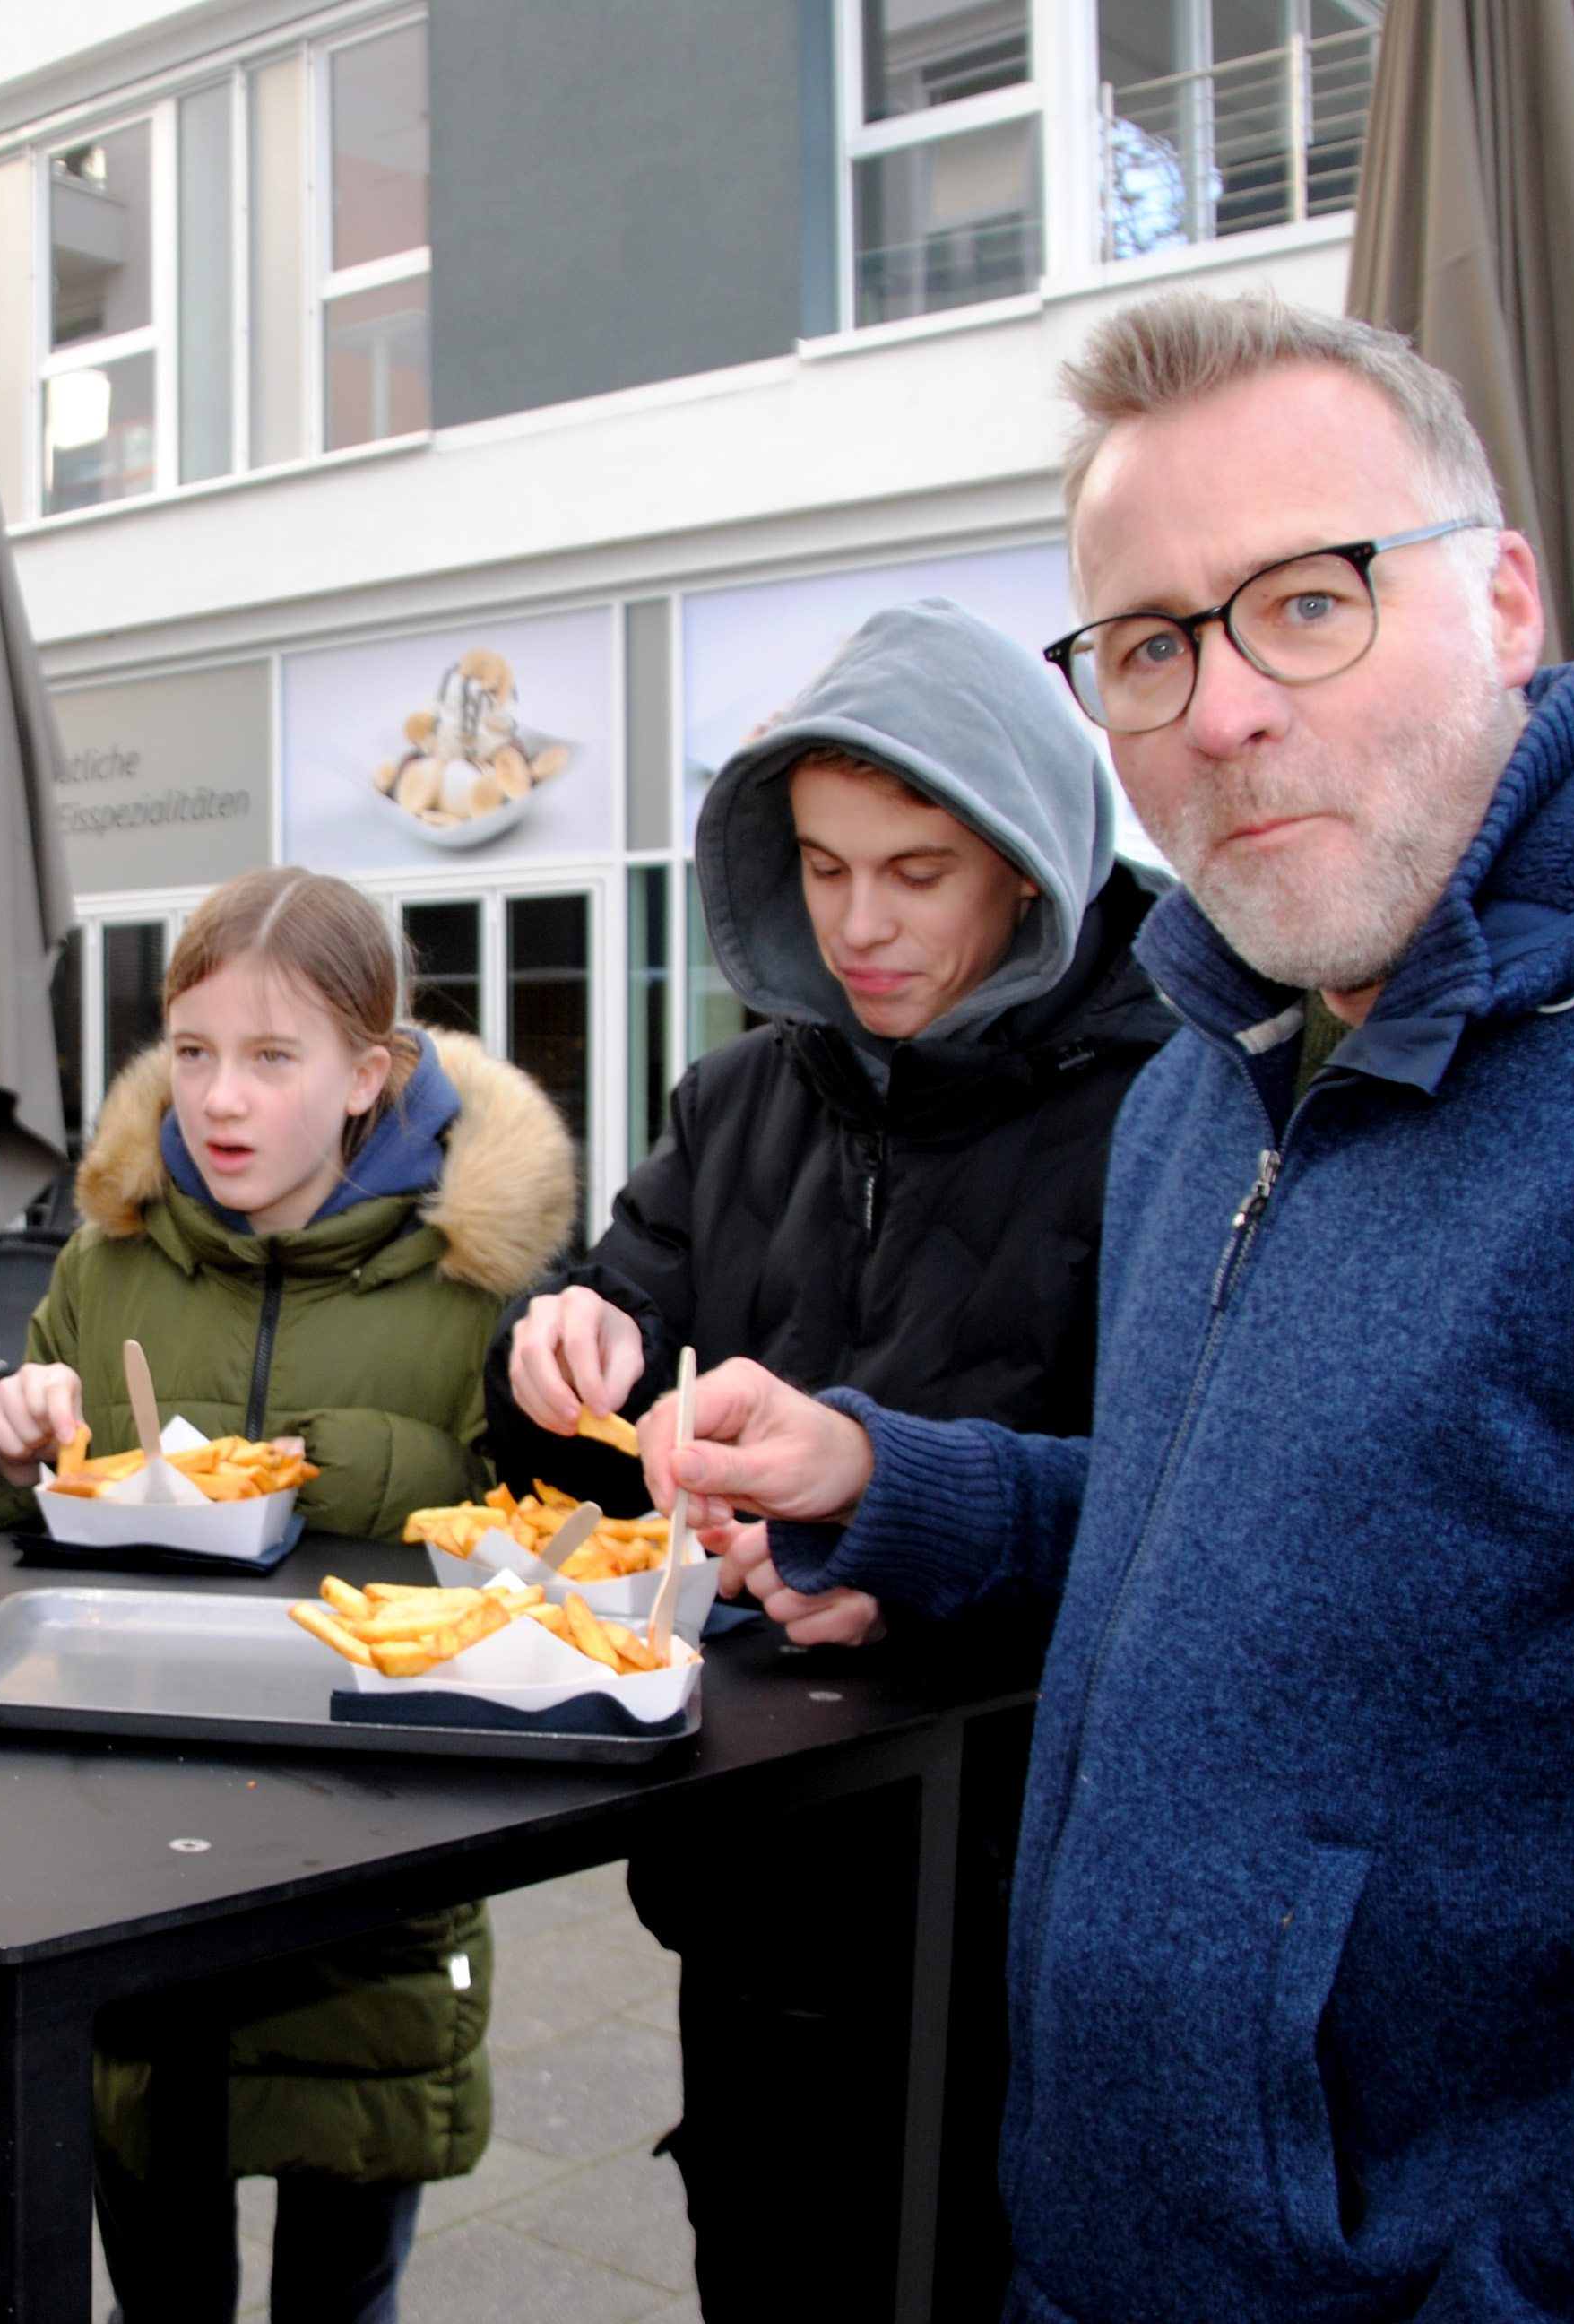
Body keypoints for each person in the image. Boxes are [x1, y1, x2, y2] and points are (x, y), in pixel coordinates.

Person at [647, 291, 1574, 2320]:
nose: (1223, 712)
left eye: (1306, 602)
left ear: (1504, 600)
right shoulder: (1214, 1072)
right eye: (1149, 647)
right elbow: (1254, 1552)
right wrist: (903, 1487)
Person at [482, 599, 1172, 2317]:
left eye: (917, 870)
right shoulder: (737, 1100)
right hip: (755, 1869)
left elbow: (1197, 1506)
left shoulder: (1178, 1101)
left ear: (1027, 861)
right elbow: (575, 1443)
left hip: (1026, 1901)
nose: (858, 923)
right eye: (818, 863)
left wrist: (909, 1557)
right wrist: (552, 1354)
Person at [0, 866, 575, 2324]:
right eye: (198, 1051)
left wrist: (342, 1467)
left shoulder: (477, 1288)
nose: (220, 1099)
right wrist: (6, 1448)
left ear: (369, 1075)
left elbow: (538, 1543)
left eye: (275, 1058)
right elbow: (2, 1533)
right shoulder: (104, 1267)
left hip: (373, 1891)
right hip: (122, 1868)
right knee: (160, 2296)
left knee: (341, 2305)